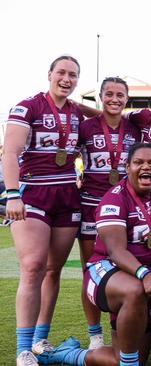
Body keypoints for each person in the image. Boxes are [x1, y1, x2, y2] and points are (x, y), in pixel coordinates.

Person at [37, 143, 151, 366]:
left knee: (125, 358)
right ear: (127, 167)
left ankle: (65, 355)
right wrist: (144, 274)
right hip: (105, 271)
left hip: (139, 279)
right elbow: (116, 251)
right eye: (138, 162)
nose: (145, 167)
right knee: (134, 291)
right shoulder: (114, 198)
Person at [4, 55, 85, 365]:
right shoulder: (28, 107)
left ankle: (40, 339)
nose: (66, 78)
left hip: (67, 195)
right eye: (61, 72)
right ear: (50, 74)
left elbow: (99, 116)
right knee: (34, 266)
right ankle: (23, 348)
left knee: (53, 270)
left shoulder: (77, 112)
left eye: (73, 75)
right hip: (34, 192)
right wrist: (12, 195)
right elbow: (10, 152)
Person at [77, 77, 141, 349]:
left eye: (120, 95)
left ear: (128, 99)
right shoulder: (85, 128)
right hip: (92, 204)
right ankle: (95, 335)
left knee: (127, 266)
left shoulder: (136, 129)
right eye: (109, 94)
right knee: (91, 268)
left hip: (127, 206)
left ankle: (124, 324)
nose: (115, 99)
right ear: (101, 97)